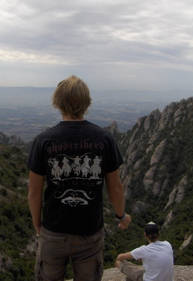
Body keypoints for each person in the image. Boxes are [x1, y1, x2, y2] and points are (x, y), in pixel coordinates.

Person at [27, 75, 131, 281]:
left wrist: (38, 224)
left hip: (54, 231)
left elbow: (34, 192)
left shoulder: (44, 140)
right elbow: (115, 187)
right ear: (87, 102)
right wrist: (121, 216)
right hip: (89, 232)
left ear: (58, 102)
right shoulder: (104, 139)